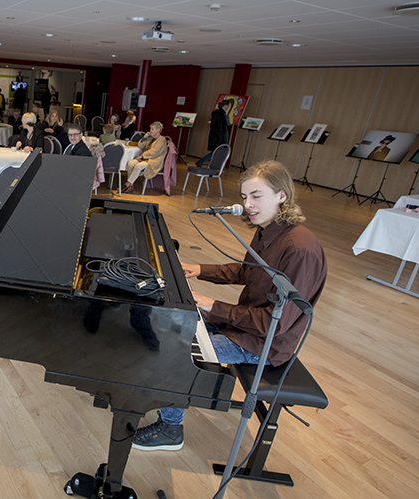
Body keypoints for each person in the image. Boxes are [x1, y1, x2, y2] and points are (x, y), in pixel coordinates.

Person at [131, 160, 328, 451]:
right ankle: (159, 390)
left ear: (282, 195)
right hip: (241, 324)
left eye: (256, 196)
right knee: (175, 321)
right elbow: (248, 271)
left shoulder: (300, 250)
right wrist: (199, 268)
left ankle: (171, 429)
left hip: (262, 343)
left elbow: (274, 323)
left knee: (177, 352)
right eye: (245, 196)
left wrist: (213, 305)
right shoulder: (268, 230)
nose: (248, 204)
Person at [121, 122, 168, 193]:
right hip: (145, 159)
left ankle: (128, 184)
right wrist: (144, 138)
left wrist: (143, 155)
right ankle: (131, 184)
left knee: (138, 166)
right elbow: (140, 146)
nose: (150, 130)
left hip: (154, 161)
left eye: (153, 129)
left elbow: (155, 151)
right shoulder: (150, 138)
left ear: (158, 130)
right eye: (150, 129)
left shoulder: (162, 139)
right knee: (130, 163)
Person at [197, 99, 231, 167]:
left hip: (220, 137)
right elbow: (213, 126)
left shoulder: (223, 113)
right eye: (229, 106)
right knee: (215, 153)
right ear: (226, 105)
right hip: (216, 138)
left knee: (216, 153)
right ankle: (202, 163)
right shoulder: (217, 113)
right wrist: (219, 135)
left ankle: (206, 165)